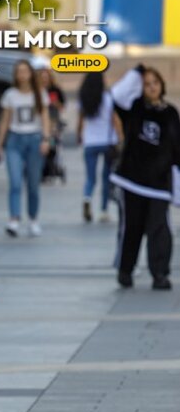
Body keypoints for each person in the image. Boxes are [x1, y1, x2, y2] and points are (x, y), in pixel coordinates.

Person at [109, 65, 180, 290]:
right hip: (132, 181)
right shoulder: (134, 107)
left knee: (160, 229)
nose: (151, 87)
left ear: (161, 85)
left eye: (155, 83)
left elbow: (176, 148)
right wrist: (136, 73)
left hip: (159, 184)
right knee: (132, 227)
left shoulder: (171, 112)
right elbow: (117, 95)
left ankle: (160, 274)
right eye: (146, 84)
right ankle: (125, 269)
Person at [0, 59, 51, 237]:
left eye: (25, 71)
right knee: (15, 182)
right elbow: (5, 120)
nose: (22, 75)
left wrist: (46, 139)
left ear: (31, 74)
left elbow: (45, 118)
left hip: (34, 140)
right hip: (14, 141)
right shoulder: (10, 94)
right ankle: (14, 219)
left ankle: (33, 219)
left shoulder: (39, 93)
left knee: (33, 184)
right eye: (19, 71)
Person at [77, 71, 121, 223]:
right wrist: (121, 138)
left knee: (90, 177)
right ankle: (103, 210)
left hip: (90, 141)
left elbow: (80, 121)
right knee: (106, 178)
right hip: (107, 142)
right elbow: (114, 121)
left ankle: (87, 198)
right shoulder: (108, 98)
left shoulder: (83, 99)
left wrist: (79, 135)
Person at [38, 68, 67, 183]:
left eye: (46, 77)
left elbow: (62, 107)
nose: (44, 80)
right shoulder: (37, 91)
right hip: (40, 123)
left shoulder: (55, 90)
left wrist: (56, 103)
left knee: (52, 146)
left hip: (54, 122)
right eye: (42, 78)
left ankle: (51, 170)